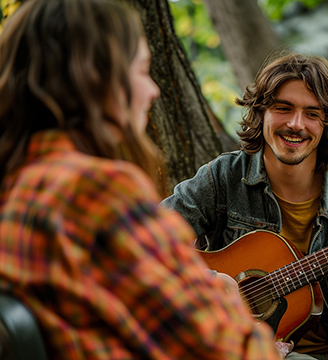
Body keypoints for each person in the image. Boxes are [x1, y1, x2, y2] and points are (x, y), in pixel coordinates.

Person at [0, 0, 284, 359]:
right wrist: (231, 303)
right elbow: (224, 349)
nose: (154, 91)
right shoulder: (95, 190)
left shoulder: (18, 185)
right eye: (142, 70)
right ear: (95, 78)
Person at [161, 52, 328, 359]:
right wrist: (211, 281)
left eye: (312, 113)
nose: (296, 124)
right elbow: (145, 240)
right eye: (283, 108)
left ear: (326, 123)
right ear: (262, 113)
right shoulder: (223, 178)